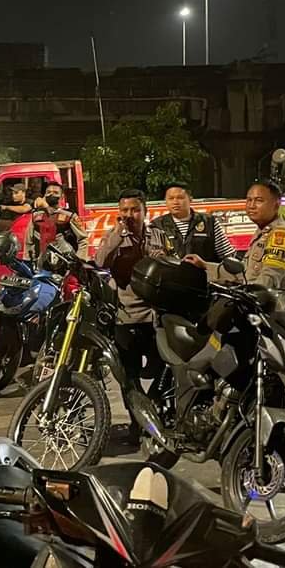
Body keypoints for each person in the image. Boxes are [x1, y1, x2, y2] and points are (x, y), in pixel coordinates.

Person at [94, 189, 166, 438]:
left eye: (135, 210)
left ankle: (155, 412)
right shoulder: (114, 236)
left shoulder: (158, 235)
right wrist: (117, 234)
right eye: (124, 210)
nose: (129, 215)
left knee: (164, 370)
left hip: (155, 317)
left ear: (145, 211)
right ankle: (137, 424)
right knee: (129, 376)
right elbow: (100, 261)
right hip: (125, 317)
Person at [184, 179, 285, 313]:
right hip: (259, 308)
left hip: (276, 313)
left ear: (276, 205)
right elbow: (244, 274)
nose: (251, 205)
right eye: (249, 200)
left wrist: (247, 296)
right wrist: (205, 266)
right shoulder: (263, 233)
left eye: (259, 200)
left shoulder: (281, 235)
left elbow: (268, 278)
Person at [150, 182, 236, 262]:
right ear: (165, 201)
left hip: (204, 273)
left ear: (190, 199)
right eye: (171, 198)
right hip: (171, 273)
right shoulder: (157, 225)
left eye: (180, 198)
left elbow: (227, 255)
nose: (175, 202)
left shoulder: (209, 222)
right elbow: (153, 256)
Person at [24, 179, 88, 262]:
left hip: (65, 262)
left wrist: (79, 260)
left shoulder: (69, 215)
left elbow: (83, 239)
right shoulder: (36, 215)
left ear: (62, 196)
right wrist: (28, 260)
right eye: (49, 192)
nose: (51, 194)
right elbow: (28, 241)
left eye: (56, 192)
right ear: (45, 194)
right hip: (41, 262)